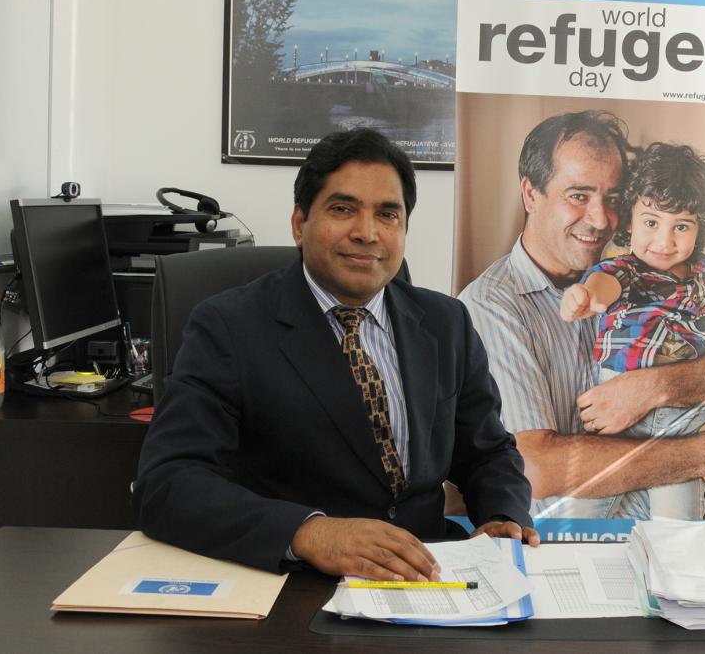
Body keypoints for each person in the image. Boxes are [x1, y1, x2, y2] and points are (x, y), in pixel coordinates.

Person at [133, 128, 538, 579]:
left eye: (388, 214)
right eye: (343, 209)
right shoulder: (228, 327)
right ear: (299, 223)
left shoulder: (447, 323)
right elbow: (166, 483)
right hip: (296, 585)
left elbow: (488, 452)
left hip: (427, 575)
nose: (366, 233)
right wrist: (310, 532)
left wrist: (503, 517)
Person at [458, 110, 705, 520]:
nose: (600, 218)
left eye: (613, 199)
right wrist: (697, 452)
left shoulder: (648, 276)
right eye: (578, 195)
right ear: (530, 194)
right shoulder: (490, 306)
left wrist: (657, 387)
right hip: (567, 549)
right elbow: (537, 468)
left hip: (668, 538)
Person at [559, 142, 705, 519]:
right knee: (580, 514)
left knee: (677, 530)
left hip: (686, 422)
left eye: (681, 226)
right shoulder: (625, 270)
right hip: (616, 421)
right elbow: (602, 287)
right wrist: (583, 296)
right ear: (629, 221)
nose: (664, 241)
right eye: (651, 222)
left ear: (701, 229)